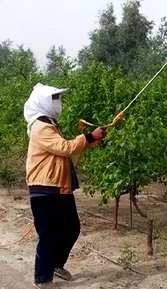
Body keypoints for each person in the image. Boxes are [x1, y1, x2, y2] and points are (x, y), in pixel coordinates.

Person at [24, 83, 106, 289]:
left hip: (60, 187)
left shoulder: (50, 124)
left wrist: (91, 140)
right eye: (54, 99)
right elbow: (64, 148)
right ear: (42, 102)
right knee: (49, 234)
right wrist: (88, 137)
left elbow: (67, 150)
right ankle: (42, 279)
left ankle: (55, 265)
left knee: (71, 228)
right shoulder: (40, 126)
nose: (58, 103)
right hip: (45, 189)